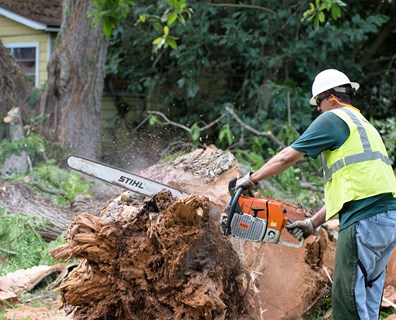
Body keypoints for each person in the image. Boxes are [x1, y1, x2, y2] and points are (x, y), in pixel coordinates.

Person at [235, 69, 396, 320]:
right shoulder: (364, 126)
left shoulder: (333, 119)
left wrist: (251, 178)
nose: (318, 111)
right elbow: (354, 188)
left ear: (331, 98)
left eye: (318, 103)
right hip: (386, 221)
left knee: (348, 305)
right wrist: (313, 222)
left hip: (363, 221)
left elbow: (288, 157)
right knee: (367, 299)